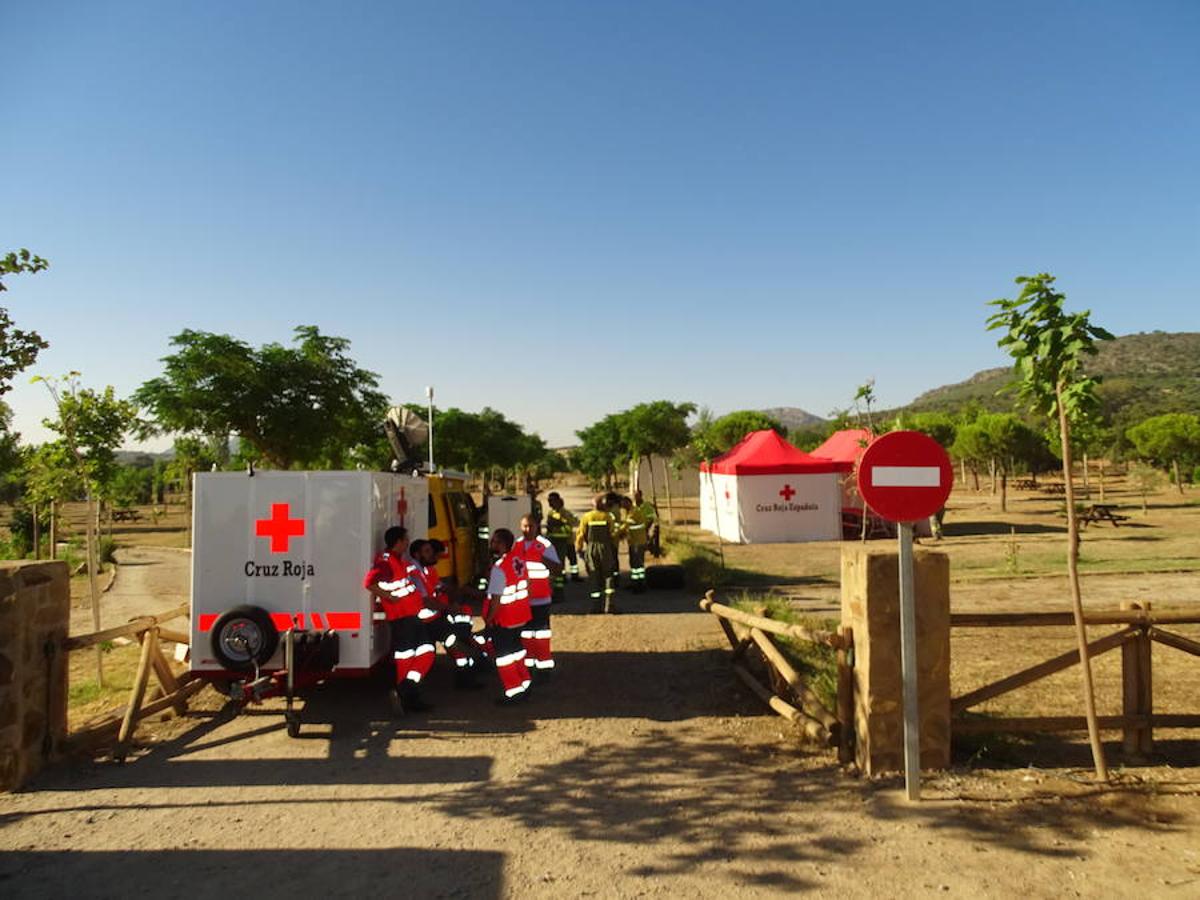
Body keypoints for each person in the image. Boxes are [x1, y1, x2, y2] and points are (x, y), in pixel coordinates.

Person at [362, 526, 435, 714]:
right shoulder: (386, 562)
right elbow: (369, 583)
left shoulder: (397, 560)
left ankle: (407, 693)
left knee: (421, 655)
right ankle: (406, 695)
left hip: (410, 617)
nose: (408, 542)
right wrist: (389, 596)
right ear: (399, 542)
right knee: (410, 658)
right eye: (406, 539)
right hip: (402, 619)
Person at [413, 539, 481, 689]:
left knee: (452, 646)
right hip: (426, 621)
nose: (433, 556)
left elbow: (441, 587)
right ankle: (410, 688)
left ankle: (466, 678)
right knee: (447, 647)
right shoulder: (416, 573)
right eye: (427, 551)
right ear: (417, 555)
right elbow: (426, 601)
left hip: (434, 619)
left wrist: (464, 592)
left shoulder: (426, 570)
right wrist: (450, 607)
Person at [485, 527, 533, 704]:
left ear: (503, 544)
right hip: (520, 615)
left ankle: (513, 692)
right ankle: (525, 683)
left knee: (504, 657)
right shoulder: (518, 561)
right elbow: (529, 587)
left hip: (505, 618)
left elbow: (496, 600)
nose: (492, 543)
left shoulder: (500, 568)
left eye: (495, 541)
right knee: (517, 652)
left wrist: (489, 619)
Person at [513, 513, 562, 680]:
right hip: (522, 599)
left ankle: (544, 668)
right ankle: (528, 666)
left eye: (530, 526)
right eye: (524, 526)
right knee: (525, 634)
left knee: (541, 634)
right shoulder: (516, 546)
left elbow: (557, 569)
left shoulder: (545, 545)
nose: (527, 529)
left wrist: (542, 559)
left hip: (541, 599)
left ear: (537, 527)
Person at [576, 493, 618, 614]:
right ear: (603, 504)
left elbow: (580, 534)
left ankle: (596, 607)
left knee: (594, 576)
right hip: (605, 548)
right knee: (608, 575)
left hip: (591, 548)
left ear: (593, 504)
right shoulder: (608, 516)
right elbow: (613, 533)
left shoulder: (586, 517)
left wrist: (579, 548)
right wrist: (613, 547)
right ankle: (610, 605)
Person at [544, 492, 581, 598]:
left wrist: (561, 524)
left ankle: (565, 583)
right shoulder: (551, 513)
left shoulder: (565, 513)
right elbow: (549, 527)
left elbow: (573, 524)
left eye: (552, 501)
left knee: (569, 560)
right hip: (553, 541)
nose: (550, 503)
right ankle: (561, 579)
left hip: (565, 541)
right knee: (557, 564)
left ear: (558, 501)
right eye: (549, 501)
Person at [620, 496, 650, 594]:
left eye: (623, 503)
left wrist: (614, 533)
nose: (622, 505)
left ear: (628, 503)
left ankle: (640, 585)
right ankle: (635, 583)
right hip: (634, 541)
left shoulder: (634, 512)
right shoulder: (629, 512)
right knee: (634, 563)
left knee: (638, 564)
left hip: (638, 542)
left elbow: (625, 525)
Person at [633, 490, 660, 557]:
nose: (636, 497)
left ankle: (651, 547)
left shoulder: (647, 505)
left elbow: (653, 517)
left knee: (651, 533)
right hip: (638, 527)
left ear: (641, 496)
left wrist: (648, 525)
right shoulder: (633, 507)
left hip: (648, 525)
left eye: (637, 496)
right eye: (635, 496)